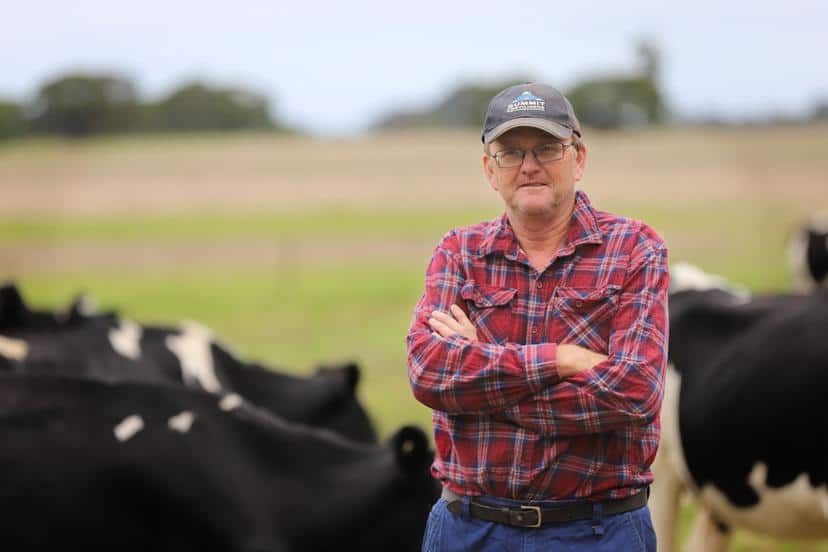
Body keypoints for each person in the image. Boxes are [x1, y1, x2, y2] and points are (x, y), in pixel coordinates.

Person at [406, 83, 669, 551]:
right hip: (470, 529)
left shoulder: (633, 249)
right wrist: (562, 360)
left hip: (597, 531)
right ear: (491, 169)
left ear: (579, 158)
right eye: (511, 152)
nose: (529, 166)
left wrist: (483, 373)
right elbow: (430, 373)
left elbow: (634, 393)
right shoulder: (459, 253)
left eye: (547, 148)